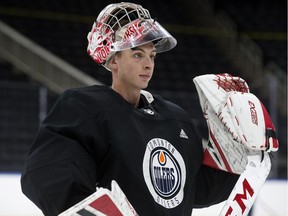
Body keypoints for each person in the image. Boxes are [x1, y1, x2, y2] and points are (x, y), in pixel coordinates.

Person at [21, 2, 239, 216]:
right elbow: (48, 171)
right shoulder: (86, 109)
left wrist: (235, 151)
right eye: (137, 54)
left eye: (152, 55)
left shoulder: (175, 118)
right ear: (114, 61)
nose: (148, 64)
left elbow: (193, 189)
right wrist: (89, 210)